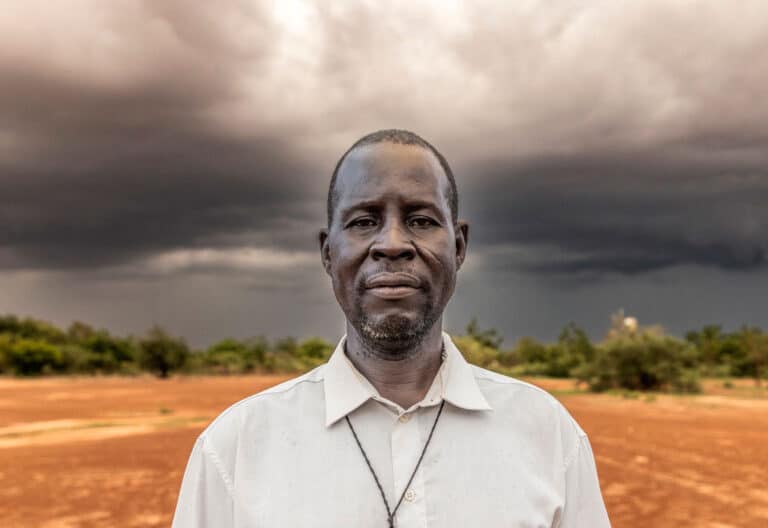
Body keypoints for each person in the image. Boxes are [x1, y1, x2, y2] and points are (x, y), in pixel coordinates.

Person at [172, 129, 611, 527]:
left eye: (421, 220)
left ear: (458, 246)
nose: (393, 244)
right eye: (364, 222)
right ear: (328, 253)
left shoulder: (549, 435)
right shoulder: (235, 449)